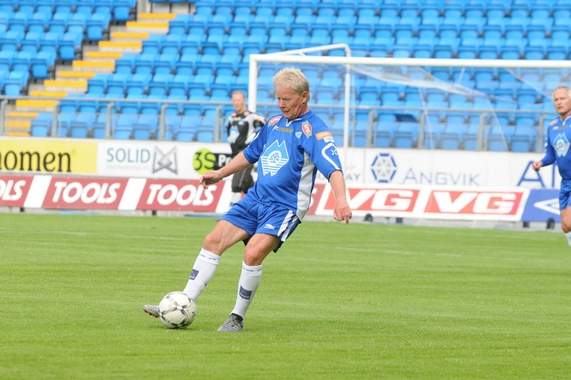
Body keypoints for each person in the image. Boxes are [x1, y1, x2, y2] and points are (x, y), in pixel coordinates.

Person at [144, 68, 352, 332]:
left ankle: (236, 317)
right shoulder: (274, 123)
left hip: (285, 208)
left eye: (286, 99)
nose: (280, 104)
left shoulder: (315, 131)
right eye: (278, 98)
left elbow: (333, 167)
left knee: (252, 252)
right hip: (256, 198)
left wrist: (341, 199)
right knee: (212, 240)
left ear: (304, 96)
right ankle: (181, 302)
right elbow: (250, 154)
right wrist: (220, 174)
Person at [533, 85, 571, 245]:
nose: (559, 102)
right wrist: (541, 162)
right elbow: (551, 155)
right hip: (566, 182)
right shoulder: (552, 126)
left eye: (563, 98)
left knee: (569, 222)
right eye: (556, 99)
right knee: (565, 227)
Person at [225, 90, 265, 205]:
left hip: (247, 155)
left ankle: (231, 214)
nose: (236, 103)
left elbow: (266, 125)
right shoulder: (230, 118)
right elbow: (230, 136)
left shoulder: (252, 117)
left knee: (237, 184)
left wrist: (257, 141)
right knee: (248, 185)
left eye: (238, 100)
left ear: (243, 101)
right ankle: (259, 207)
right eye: (234, 100)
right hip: (235, 156)